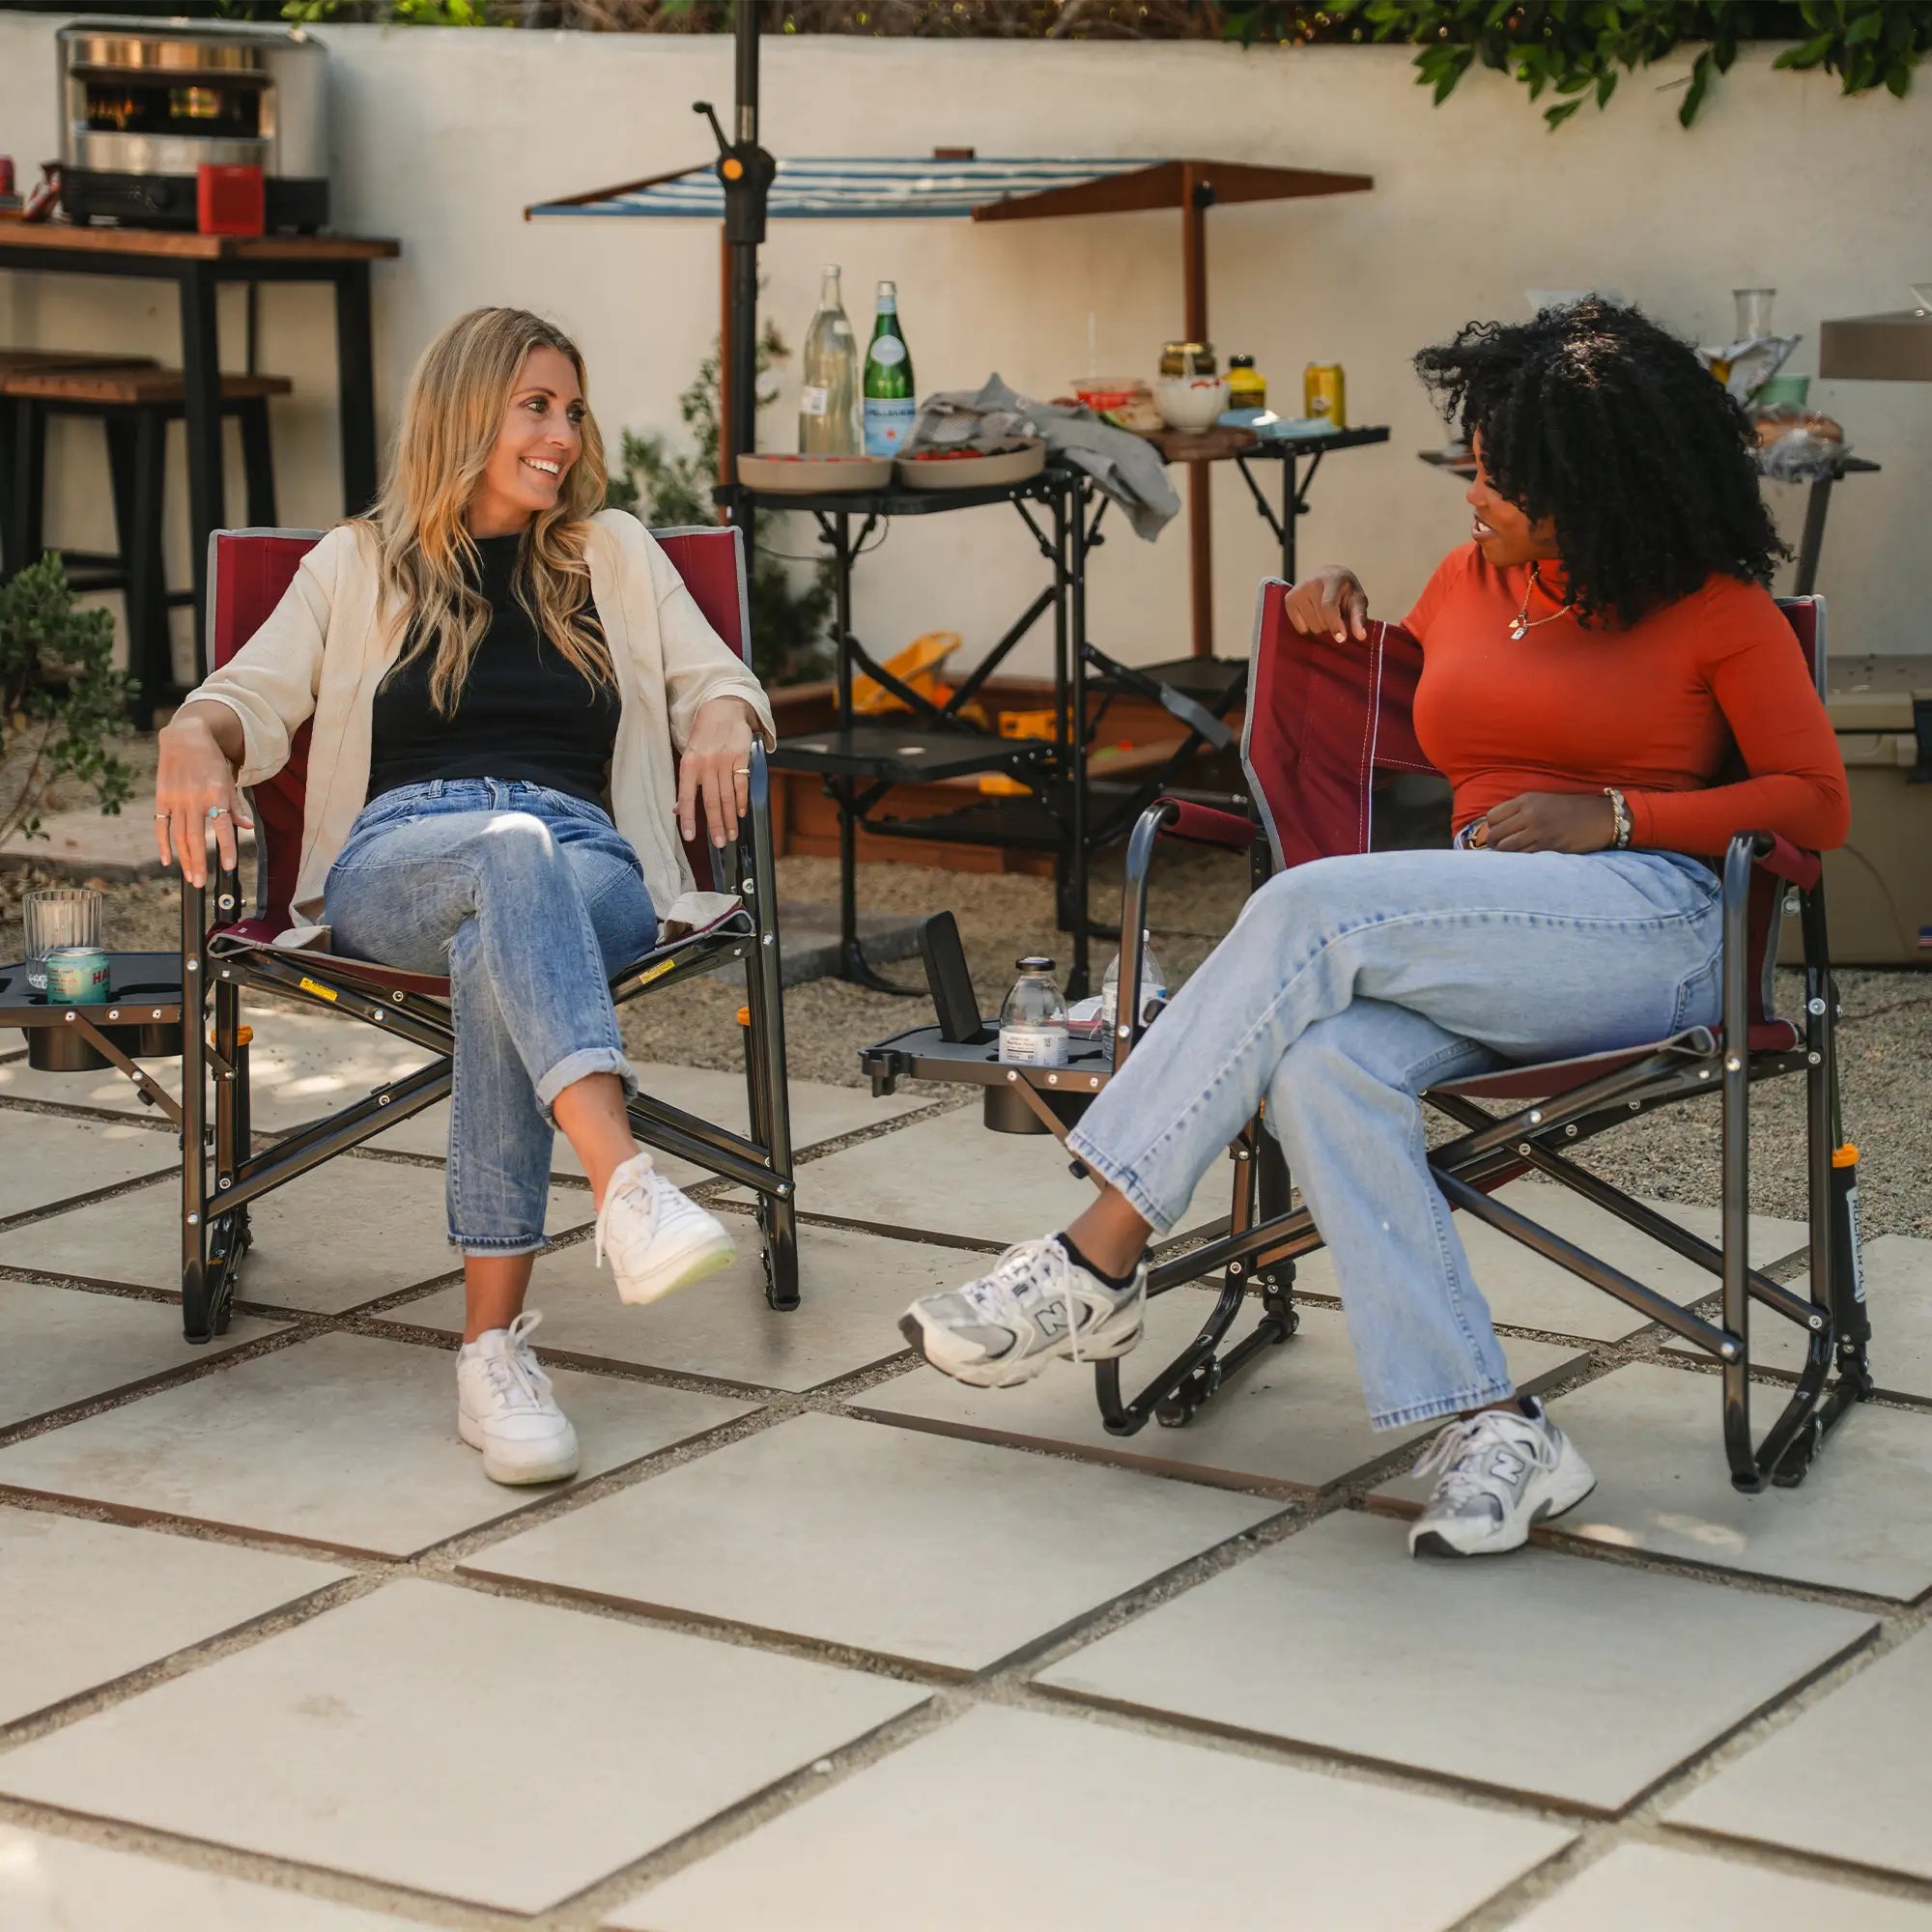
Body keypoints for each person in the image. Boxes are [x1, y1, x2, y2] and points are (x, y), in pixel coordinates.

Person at [900, 298, 1850, 1557]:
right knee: (1321, 1063)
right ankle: (1497, 1424)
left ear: (1598, 490)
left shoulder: (1716, 610)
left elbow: (1815, 806)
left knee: (1304, 908)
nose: (1474, 485)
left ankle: (1097, 1257)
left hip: (1654, 929)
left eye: (1506, 474)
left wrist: (1618, 813)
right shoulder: (1471, 577)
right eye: (1479, 455)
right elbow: (1441, 698)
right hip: (1484, 931)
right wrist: (1334, 615)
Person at [155, 307, 775, 1489]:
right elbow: (250, 695)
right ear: (464, 411)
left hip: (589, 862)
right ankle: (622, 1182)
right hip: (399, 857)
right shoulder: (359, 562)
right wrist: (193, 730)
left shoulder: (614, 555)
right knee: (503, 850)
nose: (560, 434)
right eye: (534, 406)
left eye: (571, 411)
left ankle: (490, 1351)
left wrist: (717, 719)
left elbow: (721, 682)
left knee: (513, 904)